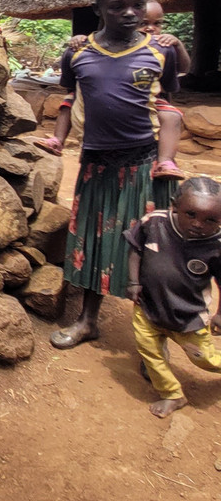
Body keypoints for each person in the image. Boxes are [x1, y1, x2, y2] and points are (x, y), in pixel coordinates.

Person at [50, 0, 181, 350]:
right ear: (98, 10)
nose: (129, 13)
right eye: (117, 6)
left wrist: (166, 154)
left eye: (137, 5)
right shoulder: (77, 54)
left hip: (145, 163)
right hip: (96, 165)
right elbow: (69, 99)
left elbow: (168, 102)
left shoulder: (162, 52)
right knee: (94, 244)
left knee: (154, 250)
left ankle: (157, 336)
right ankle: (88, 320)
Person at [35, 0, 190, 179]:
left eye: (158, 24)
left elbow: (183, 69)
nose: (151, 28)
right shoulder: (95, 46)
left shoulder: (162, 48)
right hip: (93, 104)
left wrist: (177, 45)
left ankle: (165, 161)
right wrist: (78, 39)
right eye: (144, 23)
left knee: (171, 115)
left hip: (149, 100)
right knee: (69, 101)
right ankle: (57, 140)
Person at [125, 177, 221, 418]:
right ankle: (172, 394)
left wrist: (220, 314)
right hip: (148, 308)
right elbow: (136, 249)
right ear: (174, 206)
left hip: (187, 318)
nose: (198, 224)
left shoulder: (216, 245)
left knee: (205, 359)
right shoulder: (154, 222)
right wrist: (134, 282)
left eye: (211, 220)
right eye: (190, 214)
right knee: (150, 353)